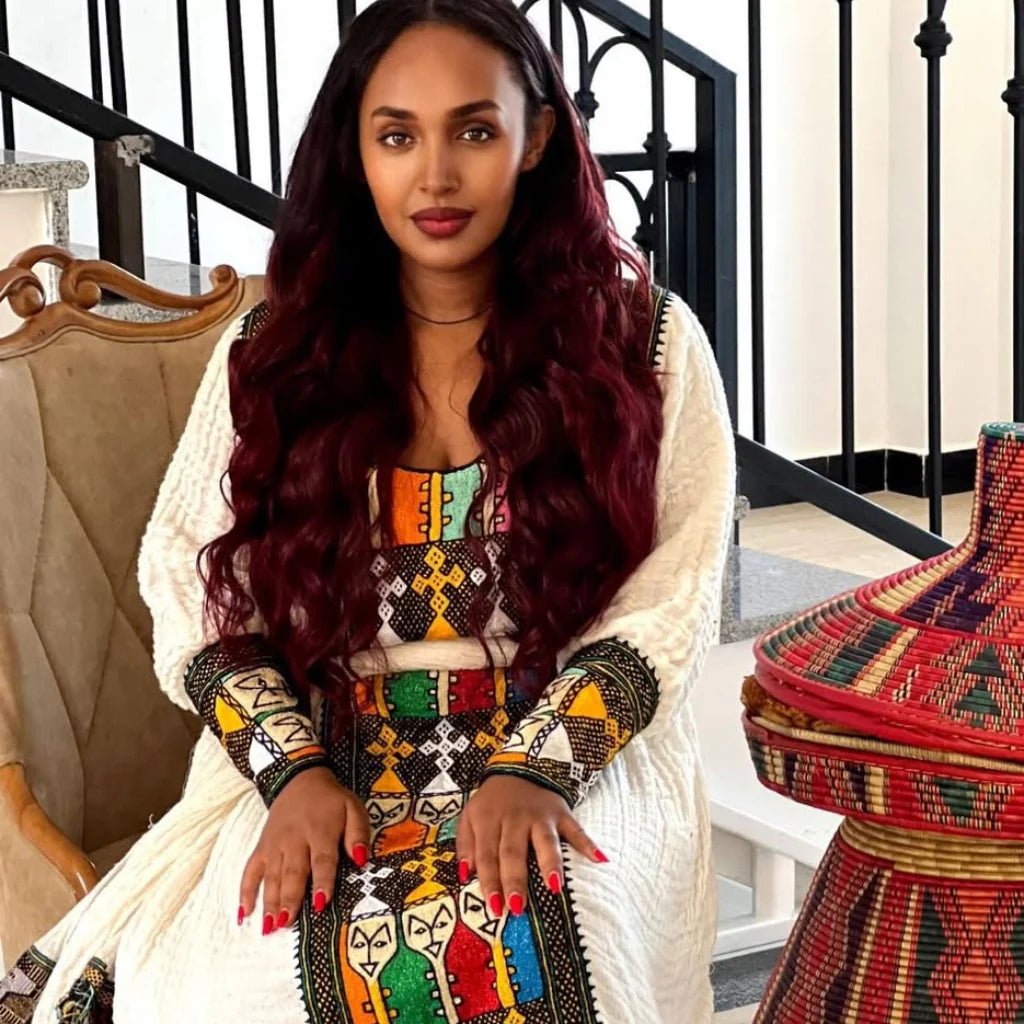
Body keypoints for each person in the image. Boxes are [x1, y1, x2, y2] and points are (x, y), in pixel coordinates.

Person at [0, 1, 735, 1021]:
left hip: (564, 753)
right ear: (354, 152)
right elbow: (187, 575)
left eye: (473, 130)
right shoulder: (274, 351)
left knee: (566, 957)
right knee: (234, 984)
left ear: (536, 139)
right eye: (397, 135)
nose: (434, 175)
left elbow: (675, 591)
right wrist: (288, 771)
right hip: (319, 758)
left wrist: (540, 771)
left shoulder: (645, 342)